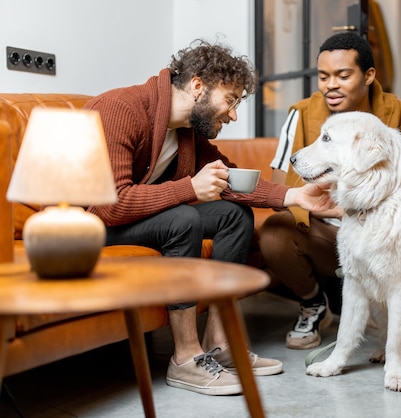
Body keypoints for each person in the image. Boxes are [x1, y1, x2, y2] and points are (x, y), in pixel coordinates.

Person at [84, 39, 335, 396]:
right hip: (90, 227)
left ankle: (222, 343)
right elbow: (110, 205)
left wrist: (295, 196)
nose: (233, 114)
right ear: (198, 86)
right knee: (183, 219)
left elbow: (230, 180)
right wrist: (188, 188)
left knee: (233, 214)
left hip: (132, 220)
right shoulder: (120, 109)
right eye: (230, 100)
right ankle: (185, 358)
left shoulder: (187, 129)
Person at [258, 31, 401, 350]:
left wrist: (365, 208)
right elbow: (281, 187)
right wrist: (332, 203)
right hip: (329, 238)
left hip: (394, 238)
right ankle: (314, 304)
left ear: (369, 75)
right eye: (323, 76)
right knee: (275, 233)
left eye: (343, 75)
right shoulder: (301, 115)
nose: (331, 85)